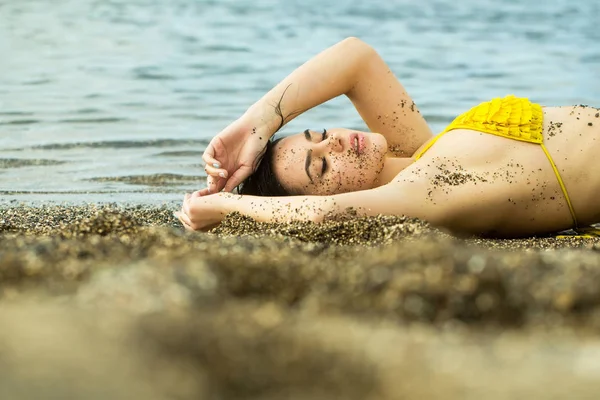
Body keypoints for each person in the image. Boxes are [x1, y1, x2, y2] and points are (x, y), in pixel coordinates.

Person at [175, 37, 600, 238]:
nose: (333, 143)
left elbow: (354, 59)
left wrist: (256, 124)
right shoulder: (422, 190)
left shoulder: (418, 154)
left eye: (320, 134)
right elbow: (325, 215)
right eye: (320, 165)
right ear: (318, 197)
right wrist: (225, 205)